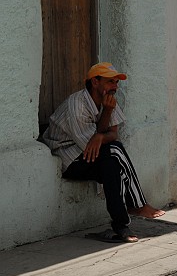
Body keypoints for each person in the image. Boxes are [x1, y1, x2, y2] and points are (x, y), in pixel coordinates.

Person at [42, 62, 165, 243]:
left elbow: (113, 134)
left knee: (113, 163)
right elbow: (93, 144)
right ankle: (137, 205)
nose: (114, 87)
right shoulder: (77, 105)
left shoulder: (109, 100)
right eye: (110, 82)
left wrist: (102, 132)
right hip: (68, 158)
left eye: (116, 82)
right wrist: (102, 133)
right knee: (114, 151)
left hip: (88, 154)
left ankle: (121, 227)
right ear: (95, 82)